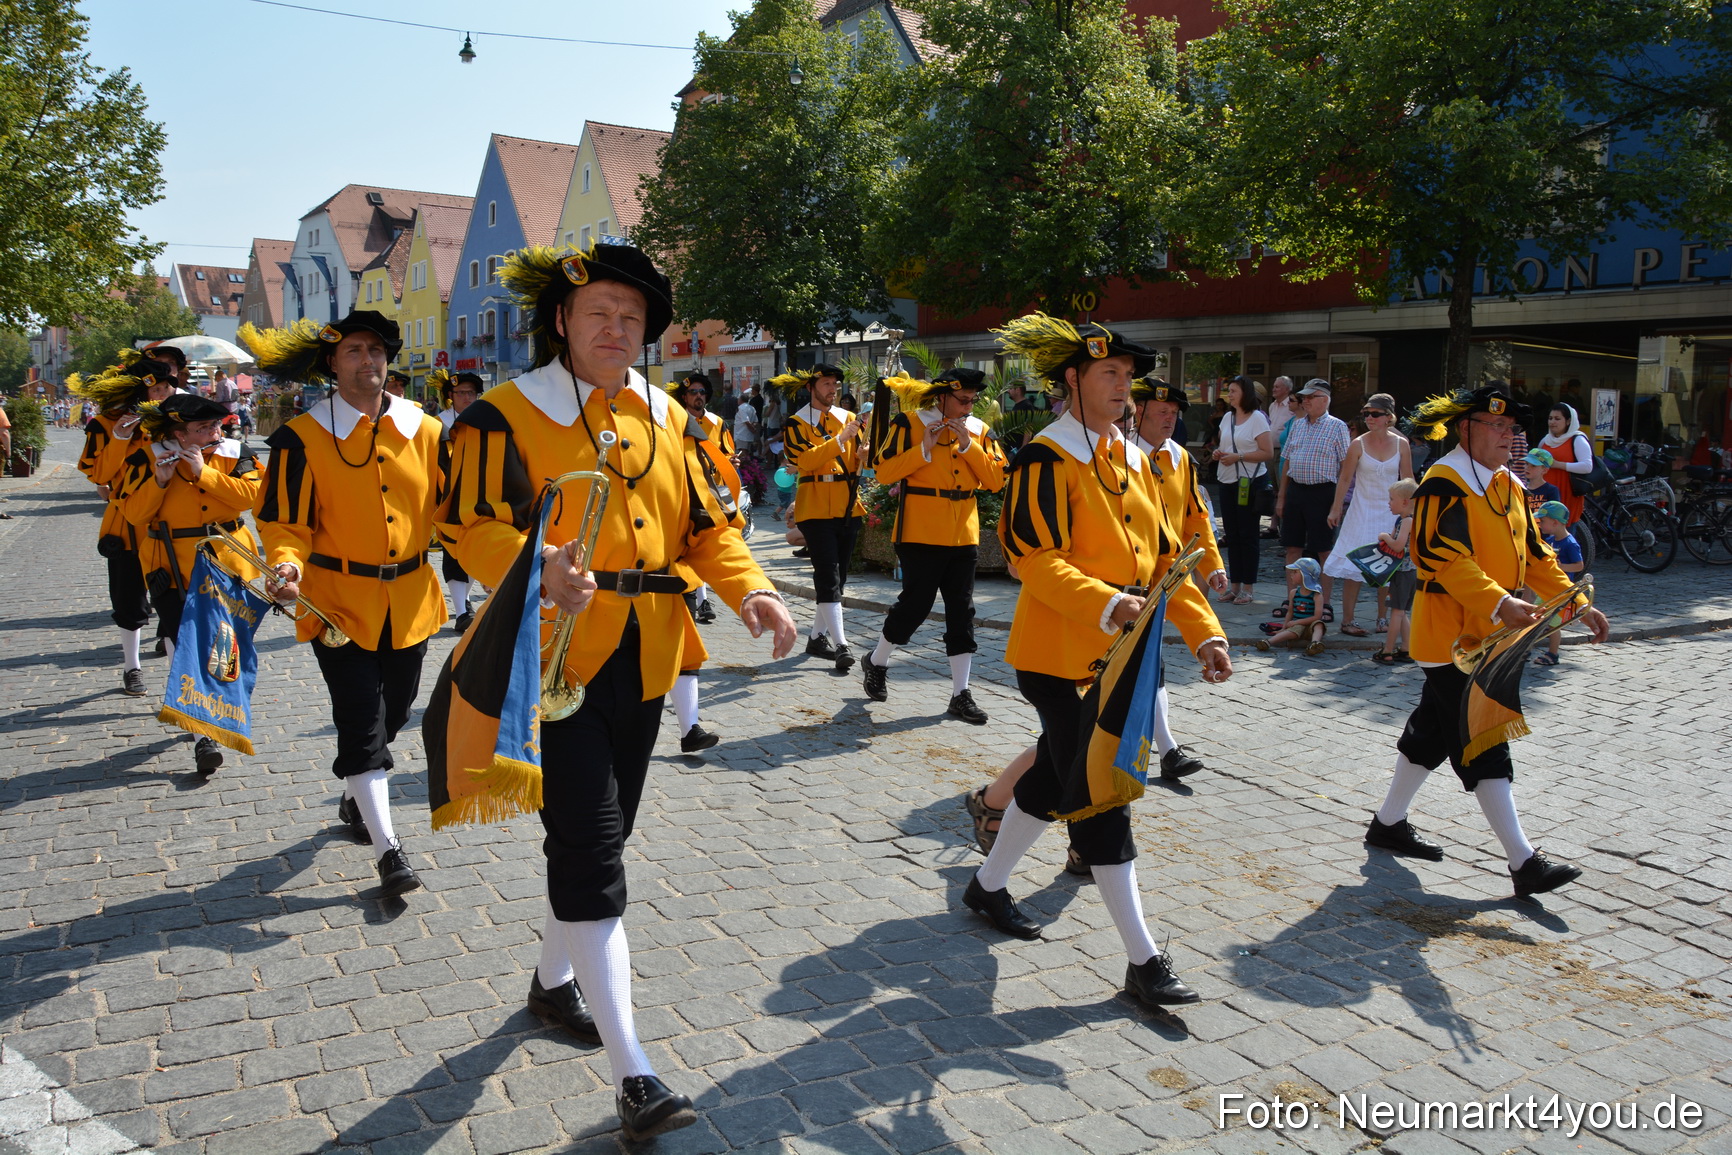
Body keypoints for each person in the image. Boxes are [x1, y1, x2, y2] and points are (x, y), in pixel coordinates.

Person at [440, 243, 795, 1141]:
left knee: (601, 838)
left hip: (646, 657)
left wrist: (751, 587)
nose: (616, 329)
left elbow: (708, 526)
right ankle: (634, 1073)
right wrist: (533, 566)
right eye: (599, 312)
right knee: (594, 855)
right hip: (553, 663)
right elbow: (467, 522)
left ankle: (552, 983)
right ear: (560, 320)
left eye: (632, 318)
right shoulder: (502, 415)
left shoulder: (670, 414)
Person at [967, 313, 1231, 1010]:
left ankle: (986, 887)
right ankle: (1144, 960)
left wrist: (1204, 632)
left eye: (1127, 376)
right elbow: (1033, 557)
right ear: (1072, 380)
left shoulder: (1136, 458)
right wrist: (1107, 601)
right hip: (1059, 658)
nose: (1124, 386)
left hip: (1124, 657)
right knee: (1103, 797)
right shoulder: (1046, 458)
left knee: (1053, 780)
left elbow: (1171, 559)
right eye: (1109, 373)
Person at [1364, 384, 1609, 898]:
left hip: (1488, 634)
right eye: (1495, 426)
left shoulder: (1508, 484)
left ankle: (1387, 825)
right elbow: (1440, 556)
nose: (1506, 435)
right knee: (1484, 736)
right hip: (1452, 638)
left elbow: (1537, 554)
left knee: (1432, 730)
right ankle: (1524, 863)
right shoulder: (1444, 482)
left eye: (1510, 428)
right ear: (1465, 429)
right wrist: (1499, 601)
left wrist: (1575, 603)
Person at [243, 309, 447, 901]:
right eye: (354, 351)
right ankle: (389, 852)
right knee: (360, 721)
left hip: (410, 597)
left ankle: (360, 788)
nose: (369, 360)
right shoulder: (299, 440)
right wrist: (285, 565)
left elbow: (456, 515)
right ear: (331, 364)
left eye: (377, 350)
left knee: (398, 710)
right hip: (337, 605)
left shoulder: (427, 431)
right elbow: (284, 524)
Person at [114, 393, 262, 774]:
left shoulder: (236, 451)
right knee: (185, 643)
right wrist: (160, 482)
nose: (214, 432)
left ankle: (209, 707)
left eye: (215, 425)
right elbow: (132, 513)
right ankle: (203, 733)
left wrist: (204, 473)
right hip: (171, 565)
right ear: (179, 434)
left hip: (228, 560)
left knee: (223, 646)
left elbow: (255, 497)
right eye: (202, 429)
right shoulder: (144, 459)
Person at [860, 368, 1006, 724]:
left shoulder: (979, 431)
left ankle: (961, 693)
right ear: (942, 396)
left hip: (963, 532)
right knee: (916, 604)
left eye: (973, 400)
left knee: (962, 610)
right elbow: (883, 472)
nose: (970, 407)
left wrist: (970, 446)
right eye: (963, 400)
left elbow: (996, 479)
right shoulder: (909, 423)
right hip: (919, 529)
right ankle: (877, 660)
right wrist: (923, 448)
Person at [71, 358, 178, 694]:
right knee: (129, 599)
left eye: (165, 389)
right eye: (155, 390)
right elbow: (99, 475)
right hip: (127, 524)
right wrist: (119, 436)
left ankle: (179, 677)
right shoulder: (103, 424)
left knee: (173, 603)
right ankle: (132, 667)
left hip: (170, 522)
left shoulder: (174, 421)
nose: (161, 396)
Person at [780, 363, 868, 673]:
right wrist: (841, 439)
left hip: (847, 506)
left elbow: (859, 463)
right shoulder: (796, 422)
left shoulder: (847, 420)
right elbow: (804, 460)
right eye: (826, 383)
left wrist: (862, 456)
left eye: (835, 384)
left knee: (839, 578)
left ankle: (817, 638)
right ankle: (842, 644)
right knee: (828, 575)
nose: (832, 389)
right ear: (811, 387)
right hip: (815, 507)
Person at [1323, 392, 1413, 637]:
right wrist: (1336, 507)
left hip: (1389, 511)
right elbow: (1344, 479)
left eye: (1375, 414)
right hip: (1361, 511)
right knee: (1355, 566)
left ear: (1388, 417)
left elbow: (1408, 482)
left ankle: (1383, 617)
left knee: (1388, 567)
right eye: (1366, 414)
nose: (1369, 418)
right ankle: (1348, 620)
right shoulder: (1358, 443)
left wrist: (1410, 514)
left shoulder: (1401, 444)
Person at [1276, 378, 1352, 619]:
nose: (1305, 401)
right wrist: (1281, 498)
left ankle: (1325, 603)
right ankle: (1293, 599)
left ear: (1325, 400)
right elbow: (1287, 461)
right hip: (1296, 491)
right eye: (1304, 397)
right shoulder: (1297, 424)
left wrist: (1337, 505)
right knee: (1292, 547)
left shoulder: (1337, 427)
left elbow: (1345, 469)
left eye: (1311, 397)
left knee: (1324, 549)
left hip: (1323, 492)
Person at [672, 372, 740, 624]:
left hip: (713, 492)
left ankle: (701, 600)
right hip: (686, 490)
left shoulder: (717, 423)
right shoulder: (675, 421)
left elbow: (727, 451)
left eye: (702, 392)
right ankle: (700, 599)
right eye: (693, 392)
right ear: (684, 397)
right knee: (690, 542)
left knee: (705, 542)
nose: (698, 396)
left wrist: (731, 460)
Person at [1211, 376, 1273, 605]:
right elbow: (1223, 445)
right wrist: (1219, 453)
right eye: (1229, 390)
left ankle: (1248, 587)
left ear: (1245, 393)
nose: (1230, 395)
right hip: (1227, 481)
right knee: (1232, 534)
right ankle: (1234, 585)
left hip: (1249, 482)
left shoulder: (1257, 418)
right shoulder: (1227, 417)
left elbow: (1268, 452)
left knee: (1248, 536)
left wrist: (1240, 456)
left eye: (1234, 390)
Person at [435, 370, 485, 631]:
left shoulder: (485, 421)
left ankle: (464, 601)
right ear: (450, 397)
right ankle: (461, 610)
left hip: (480, 497)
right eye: (461, 393)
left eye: (471, 393)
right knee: (452, 550)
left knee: (477, 548)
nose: (467, 397)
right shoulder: (438, 425)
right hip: (449, 497)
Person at [1371, 477, 1418, 665]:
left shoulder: (1407, 521)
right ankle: (1406, 648)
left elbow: (1398, 546)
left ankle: (1387, 650)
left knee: (1396, 612)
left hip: (1403, 572)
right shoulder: (1407, 519)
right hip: (1411, 572)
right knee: (1402, 611)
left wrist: (1384, 536)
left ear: (1405, 501)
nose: (1389, 503)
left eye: (1391, 499)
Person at [1532, 500, 1585, 667]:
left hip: (1559, 591)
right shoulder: (1551, 539)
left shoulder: (1570, 543)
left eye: (1543, 522)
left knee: (1552, 625)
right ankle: (1525, 649)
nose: (1539, 525)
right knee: (1536, 618)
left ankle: (1553, 654)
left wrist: (1561, 567)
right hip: (1548, 588)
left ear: (1555, 523)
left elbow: (1579, 565)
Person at [1256, 557, 1326, 656]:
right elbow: (1290, 612)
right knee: (1294, 629)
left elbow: (1317, 616)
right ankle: (1268, 642)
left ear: (1305, 575)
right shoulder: (1294, 593)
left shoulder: (1317, 595)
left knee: (1319, 624)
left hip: (1310, 626)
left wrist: (1296, 621)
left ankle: (1314, 643)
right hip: (1297, 626)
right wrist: (1284, 627)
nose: (1291, 575)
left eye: (1295, 572)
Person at [1540, 403, 1594, 525]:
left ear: (1568, 421)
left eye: (1557, 419)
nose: (1553, 422)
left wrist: (1559, 465)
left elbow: (1587, 466)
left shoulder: (1578, 439)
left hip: (1567, 494)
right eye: (1550, 418)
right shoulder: (1545, 440)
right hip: (1546, 497)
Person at [1520, 447, 1561, 513]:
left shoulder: (1551, 490)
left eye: (1533, 465)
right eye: (1526, 463)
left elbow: (1554, 514)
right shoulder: (1521, 488)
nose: (1528, 468)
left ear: (1544, 470)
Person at [733, 386, 760, 462]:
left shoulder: (741, 408)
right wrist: (753, 428)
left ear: (741, 400)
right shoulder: (752, 408)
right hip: (748, 435)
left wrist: (752, 429)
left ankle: (744, 468)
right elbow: (755, 421)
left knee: (743, 452)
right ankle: (749, 467)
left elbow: (746, 421)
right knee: (747, 453)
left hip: (742, 434)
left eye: (738, 399)